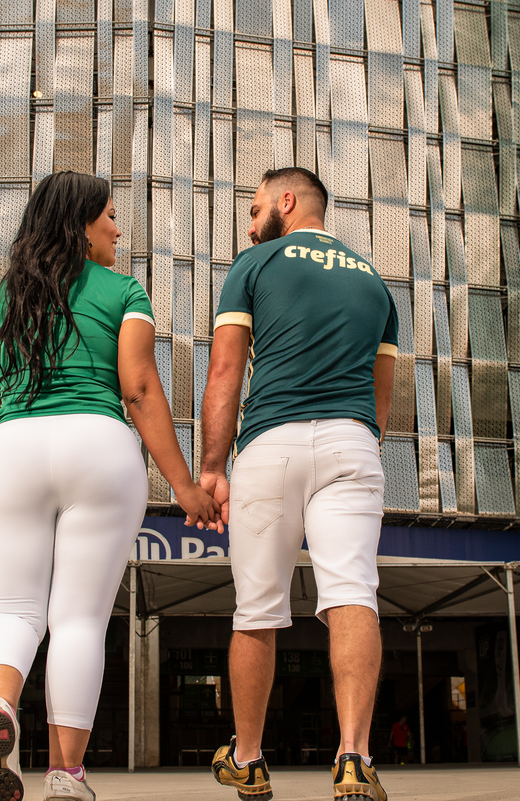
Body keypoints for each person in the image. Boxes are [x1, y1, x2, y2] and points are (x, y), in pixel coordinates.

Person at [0, 171, 221, 801]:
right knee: (78, 620)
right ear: (81, 225)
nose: (118, 230)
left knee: (12, 612)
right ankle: (66, 776)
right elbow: (139, 388)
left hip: (10, 452)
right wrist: (182, 484)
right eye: (110, 218)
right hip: (98, 447)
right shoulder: (124, 291)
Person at [199, 167, 398, 801]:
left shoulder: (254, 264)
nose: (250, 222)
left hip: (271, 445)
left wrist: (210, 468)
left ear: (288, 201)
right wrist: (359, 443)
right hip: (352, 442)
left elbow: (226, 371)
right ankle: (354, 758)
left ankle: (250, 759)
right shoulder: (376, 282)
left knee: (257, 609)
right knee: (352, 596)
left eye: (255, 208)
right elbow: (381, 396)